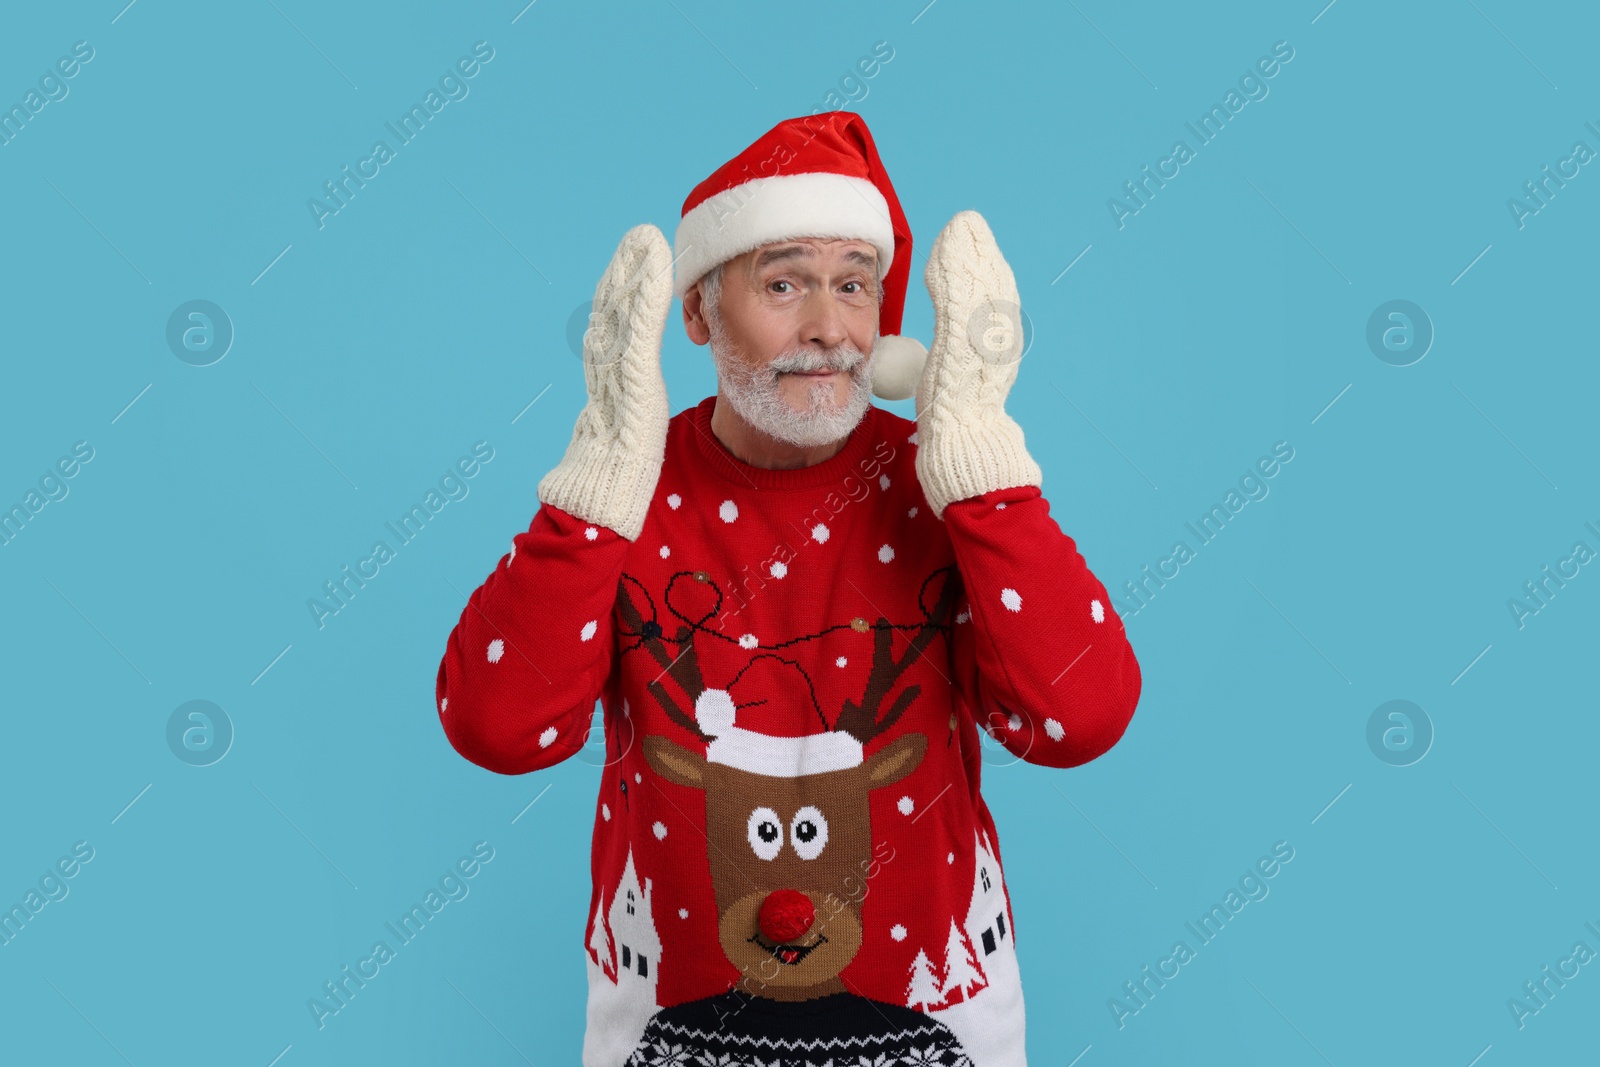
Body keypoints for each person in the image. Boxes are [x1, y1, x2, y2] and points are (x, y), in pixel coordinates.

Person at [436, 111, 1142, 1067]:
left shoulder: (945, 486)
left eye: (854, 284)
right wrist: (597, 489)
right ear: (697, 313)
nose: (828, 328)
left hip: (932, 1036)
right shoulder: (626, 492)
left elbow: (1081, 720)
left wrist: (986, 477)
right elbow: (497, 728)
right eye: (783, 283)